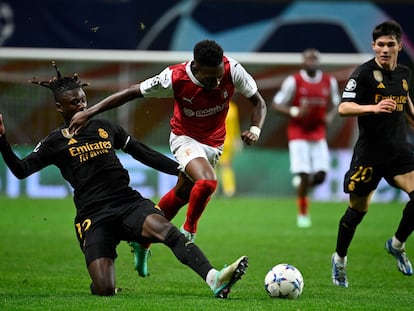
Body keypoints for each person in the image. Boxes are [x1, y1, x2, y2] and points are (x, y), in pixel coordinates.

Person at [0, 62, 248, 298]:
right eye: (74, 102)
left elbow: (143, 153)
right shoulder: (55, 142)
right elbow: (21, 170)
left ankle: (214, 278)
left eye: (83, 100)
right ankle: (100, 282)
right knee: (105, 288)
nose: (81, 106)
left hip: (127, 203)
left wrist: (180, 170)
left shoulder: (105, 128)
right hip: (93, 215)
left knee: (168, 232)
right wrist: (2, 139)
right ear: (59, 107)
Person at [69, 39, 266, 276]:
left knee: (183, 193)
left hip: (214, 144)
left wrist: (255, 129)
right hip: (185, 138)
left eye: (218, 76)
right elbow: (132, 92)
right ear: (195, 67)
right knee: (207, 182)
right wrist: (89, 112)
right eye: (209, 78)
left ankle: (142, 244)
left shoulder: (233, 69)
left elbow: (259, 103)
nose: (215, 83)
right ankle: (188, 231)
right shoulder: (174, 77)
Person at [331, 20, 414, 288]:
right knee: (357, 212)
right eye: (380, 45)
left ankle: (397, 244)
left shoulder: (404, 73)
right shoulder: (363, 73)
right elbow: (343, 108)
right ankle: (340, 259)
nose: (385, 49)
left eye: (390, 44)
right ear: (373, 46)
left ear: (399, 46)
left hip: (399, 153)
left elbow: (406, 102)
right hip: (369, 156)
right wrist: (373, 108)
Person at [271, 48, 340, 228]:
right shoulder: (294, 81)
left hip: (318, 132)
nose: (312, 62)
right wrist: (294, 111)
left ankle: (304, 182)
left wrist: (330, 116)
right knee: (303, 172)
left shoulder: (328, 81)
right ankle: (303, 214)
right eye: (308, 59)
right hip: (298, 132)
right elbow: (276, 104)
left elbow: (336, 102)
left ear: (319, 62)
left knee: (321, 176)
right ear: (303, 62)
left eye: (314, 59)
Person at [217, 100, 242, 197]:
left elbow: (235, 125)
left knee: (221, 165)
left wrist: (237, 139)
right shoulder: (232, 108)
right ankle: (228, 189)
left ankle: (226, 190)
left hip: (224, 141)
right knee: (223, 165)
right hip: (222, 140)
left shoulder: (231, 107)